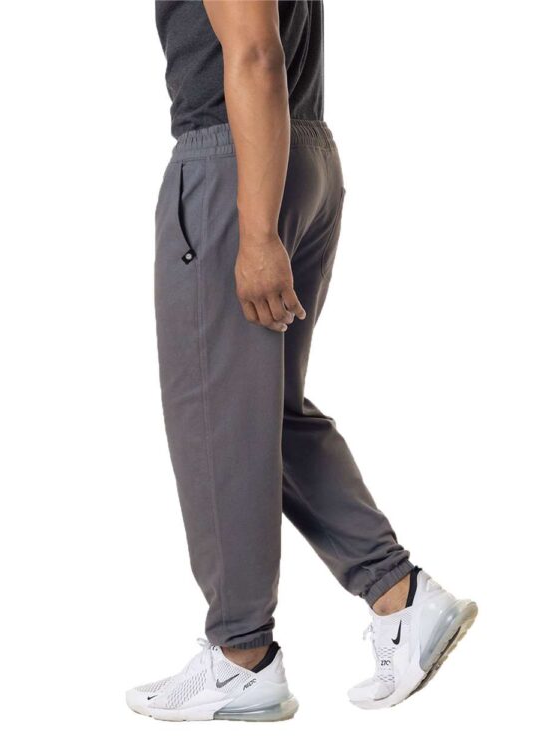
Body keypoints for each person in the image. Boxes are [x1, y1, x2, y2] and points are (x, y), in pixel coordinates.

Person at [126, 0, 477, 722]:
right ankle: (400, 596)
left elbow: (255, 54)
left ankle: (240, 656)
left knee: (216, 418)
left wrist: (256, 234)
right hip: (295, 148)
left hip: (237, 163)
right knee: (263, 414)